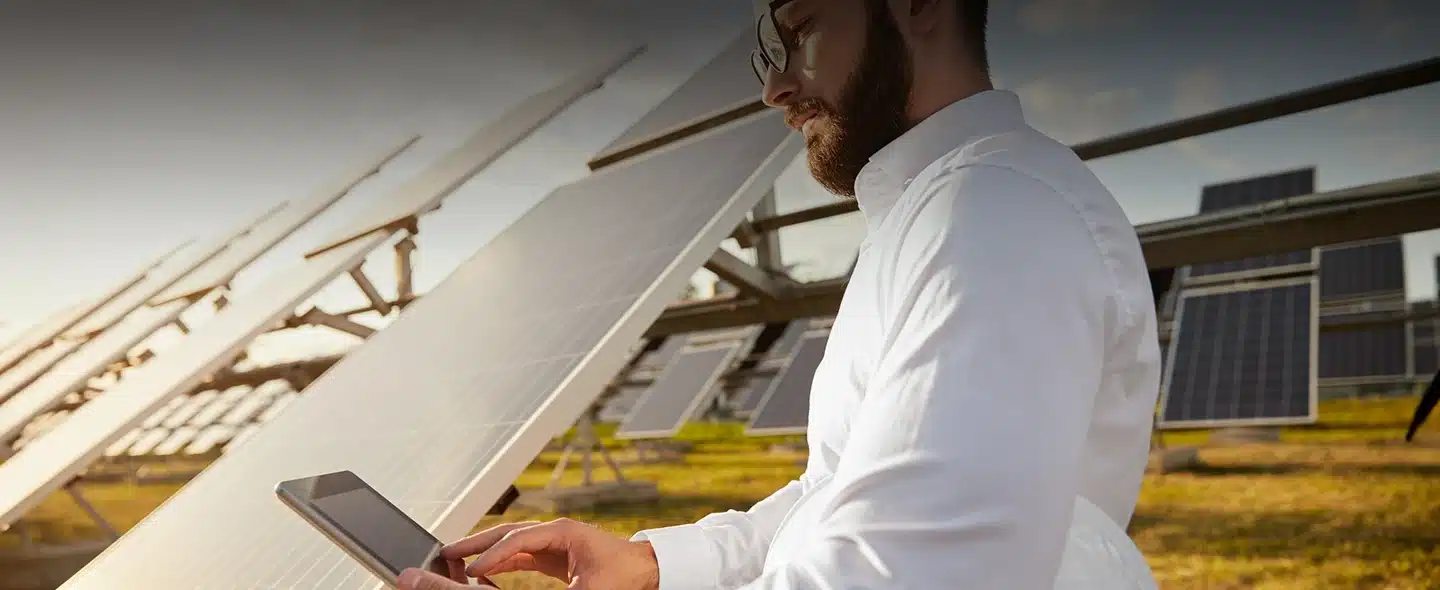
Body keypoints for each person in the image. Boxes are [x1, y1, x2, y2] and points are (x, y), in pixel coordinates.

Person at [399, 0, 1162, 588]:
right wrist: (652, 562)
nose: (773, 88)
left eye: (800, 30)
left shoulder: (994, 213)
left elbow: (896, 573)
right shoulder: (937, 214)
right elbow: (840, 495)